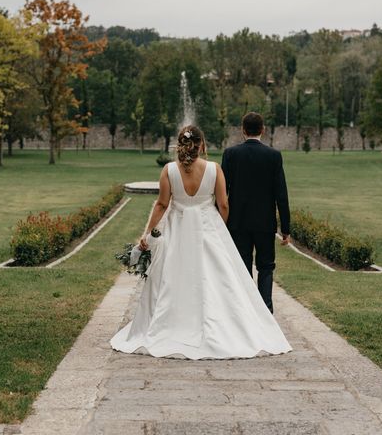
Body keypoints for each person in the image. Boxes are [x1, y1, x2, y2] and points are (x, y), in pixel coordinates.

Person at [110, 125, 291, 359]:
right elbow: (224, 204)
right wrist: (220, 228)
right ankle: (226, 327)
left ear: (179, 145)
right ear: (202, 145)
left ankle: (173, 325)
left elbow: (162, 204)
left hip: (178, 228)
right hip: (209, 228)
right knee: (219, 278)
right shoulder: (214, 169)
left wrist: (147, 233)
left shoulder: (169, 170)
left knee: (173, 276)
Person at [221, 112, 291, 313]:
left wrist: (219, 221)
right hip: (265, 223)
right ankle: (266, 310)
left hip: (237, 223)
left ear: (242, 130)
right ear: (263, 130)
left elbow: (221, 192)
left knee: (242, 268)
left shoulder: (231, 154)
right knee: (266, 266)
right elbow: (281, 195)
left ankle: (244, 312)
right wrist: (285, 229)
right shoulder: (273, 156)